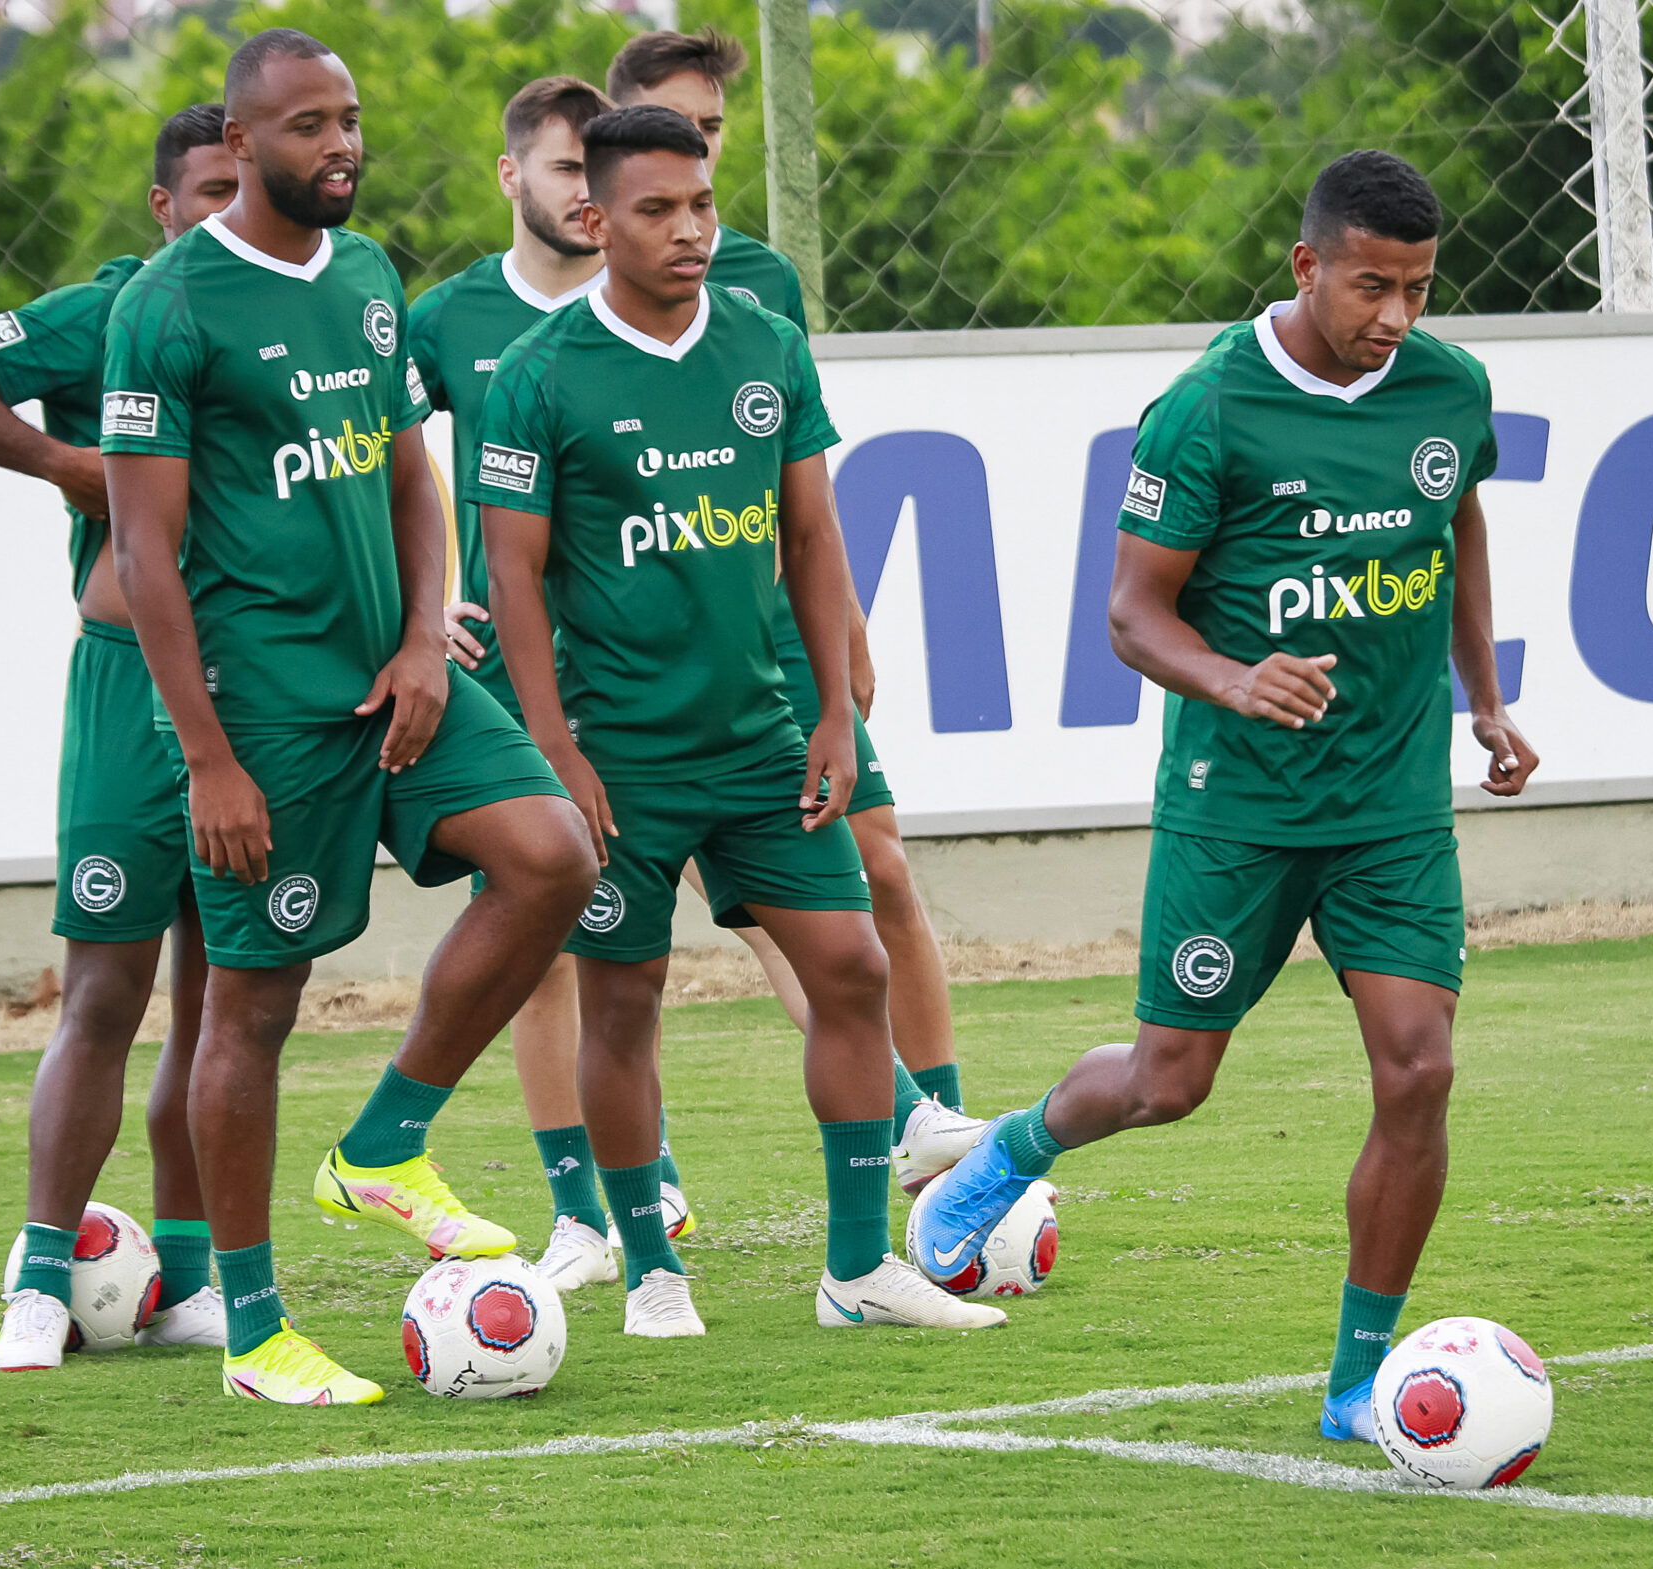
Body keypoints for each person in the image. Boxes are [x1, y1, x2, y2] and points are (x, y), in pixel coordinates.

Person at [909, 151, 1539, 1435]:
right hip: (1237, 809)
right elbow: (1133, 619)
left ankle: (1357, 1383)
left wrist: (1485, 698)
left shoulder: (1446, 387)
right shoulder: (1205, 409)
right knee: (1168, 1082)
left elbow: (1457, 526)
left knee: (1418, 1074)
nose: (1395, 319)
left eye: (1418, 289)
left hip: (1391, 810)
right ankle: (1009, 1152)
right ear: (1307, 266)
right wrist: (1235, 679)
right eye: (1372, 287)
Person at [102, 29, 597, 1406]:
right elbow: (146, 553)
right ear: (245, 145)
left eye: (352, 120)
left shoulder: (373, 276)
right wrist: (206, 756)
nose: (343, 147)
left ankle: (383, 1142)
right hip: (263, 711)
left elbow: (405, 476)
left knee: (555, 854)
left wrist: (427, 629)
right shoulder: (169, 305)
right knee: (252, 1010)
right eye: (311, 127)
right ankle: (255, 1332)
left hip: (402, 677)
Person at [473, 104, 1008, 1339]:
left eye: (701, 203)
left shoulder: (764, 341)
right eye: (656, 210)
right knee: (625, 1002)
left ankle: (858, 1269)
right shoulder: (541, 375)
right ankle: (652, 1267)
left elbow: (812, 533)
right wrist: (553, 751)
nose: (690, 230)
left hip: (762, 738)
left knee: (853, 970)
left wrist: (832, 707)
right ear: (593, 219)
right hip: (620, 759)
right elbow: (512, 578)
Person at [0, 104, 240, 1374]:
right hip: (128, 689)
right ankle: (41, 1278)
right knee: (105, 992)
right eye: (206, 189)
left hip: (264, 689)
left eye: (243, 185)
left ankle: (195, 1277)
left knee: (224, 998)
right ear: (164, 207)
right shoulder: (113, 312)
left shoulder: (306, 317)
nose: (226, 209)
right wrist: (67, 466)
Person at [607, 29, 986, 1193]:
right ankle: (624, 1179)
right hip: (627, 663)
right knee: (623, 944)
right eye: (679, 133)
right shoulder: (547, 316)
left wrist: (845, 630)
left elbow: (797, 490)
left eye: (716, 138)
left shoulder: (760, 285)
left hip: (767, 631)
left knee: (875, 873)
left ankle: (941, 1137)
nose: (698, 174)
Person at [405, 76, 656, 1294]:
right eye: (560, 169)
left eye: (589, 170)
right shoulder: (443, 319)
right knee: (550, 930)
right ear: (514, 177)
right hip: (519, 676)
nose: (579, 192)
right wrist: (416, 609)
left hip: (657, 668)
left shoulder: (670, 314)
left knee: (777, 908)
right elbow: (382, 462)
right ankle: (581, 1214)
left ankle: (906, 1145)